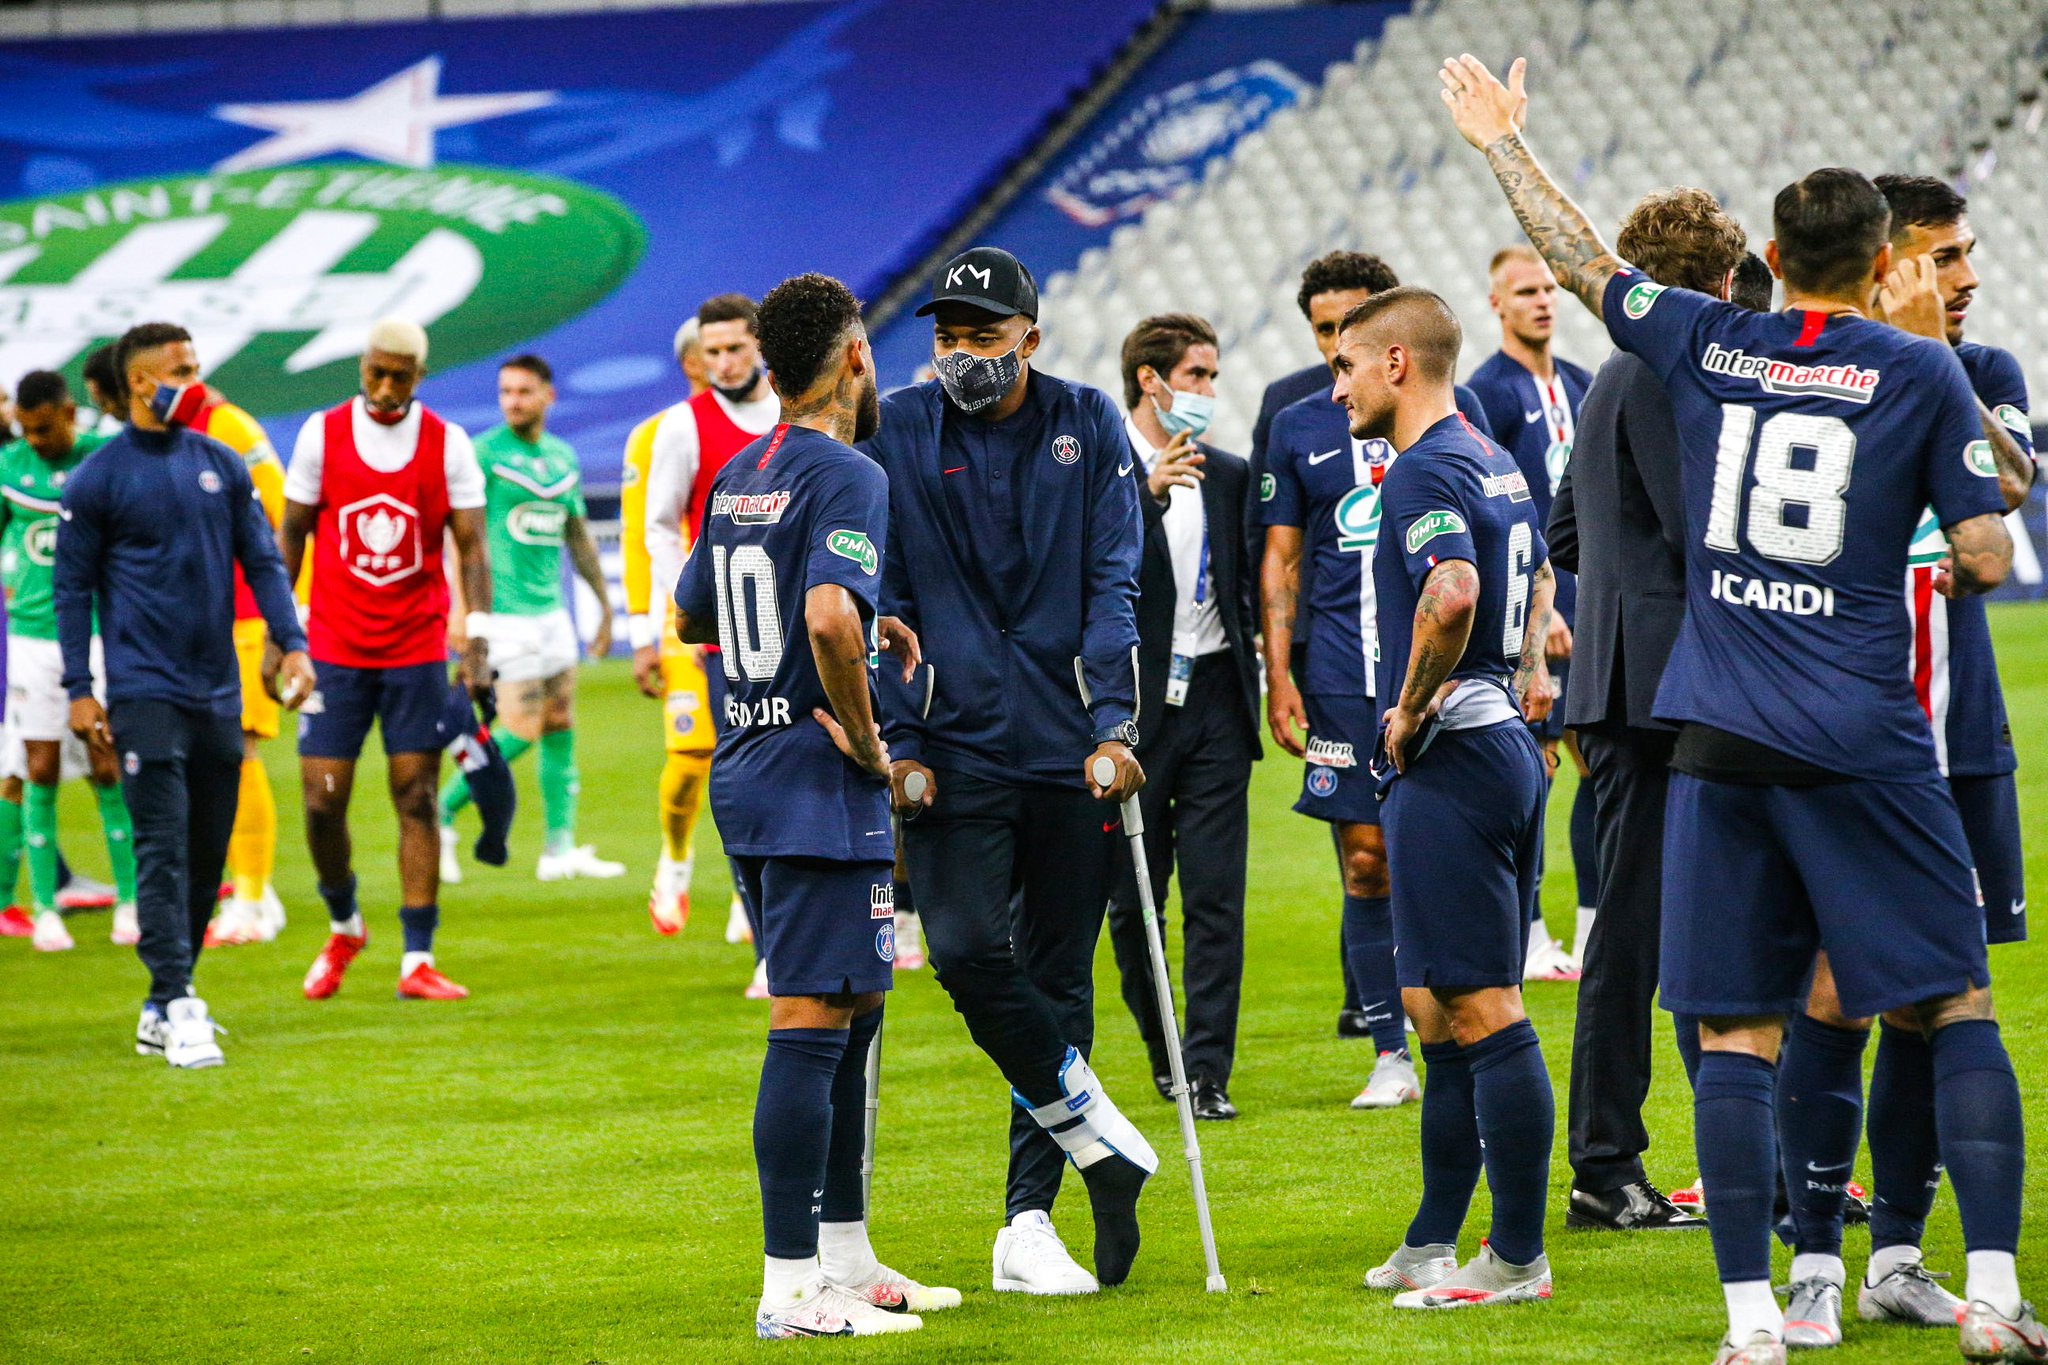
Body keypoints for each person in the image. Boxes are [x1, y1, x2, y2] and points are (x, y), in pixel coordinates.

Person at [1445, 53, 2033, 1364]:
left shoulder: (1713, 340)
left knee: (1733, 1029)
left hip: (1716, 730)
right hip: (1869, 735)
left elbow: (1589, 262)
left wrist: (1503, 145)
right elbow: (1992, 555)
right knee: (1951, 1004)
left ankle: (1757, 1321)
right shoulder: (1917, 372)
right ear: (1885, 261)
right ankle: (1989, 1290)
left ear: (1770, 252)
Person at [1764, 173, 2043, 1347]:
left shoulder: (1981, 374)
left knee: (1937, 1003)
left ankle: (1896, 1256)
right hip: (1840, 741)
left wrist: (1929, 356)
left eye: (1969, 252)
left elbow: (2010, 502)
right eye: (1939, 255)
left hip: (1959, 741)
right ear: (1883, 263)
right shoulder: (1795, 378)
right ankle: (1815, 1262)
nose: (1965, 277)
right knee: (1831, 992)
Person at [865, 246, 1154, 1296]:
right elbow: (882, 590)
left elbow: (1113, 580)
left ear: (1029, 335)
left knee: (1058, 978)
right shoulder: (896, 425)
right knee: (966, 952)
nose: (961, 357)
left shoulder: (1086, 422)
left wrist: (1116, 726)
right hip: (950, 749)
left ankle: (1028, 1220)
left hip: (1070, 746)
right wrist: (901, 742)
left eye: (982, 339)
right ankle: (1102, 1143)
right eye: (946, 339)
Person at [672, 272, 954, 1338]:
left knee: (853, 1006)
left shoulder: (743, 469)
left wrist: (833, 632)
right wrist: (871, 737)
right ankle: (788, 1286)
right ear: (851, 361)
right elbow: (831, 614)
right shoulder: (847, 473)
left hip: (746, 764)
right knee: (809, 1018)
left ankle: (844, 1256)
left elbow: (696, 604)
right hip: (812, 778)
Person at [1337, 288, 1559, 1310]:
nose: (1334, 386)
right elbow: (1538, 577)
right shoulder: (1490, 454)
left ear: (1393, 363)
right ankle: (1433, 1239)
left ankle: (1513, 1258)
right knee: (1432, 1005)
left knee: (1478, 1003)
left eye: (1345, 366)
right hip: (1500, 745)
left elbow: (1452, 590)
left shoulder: (1424, 467)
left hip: (1455, 761)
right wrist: (1515, 681)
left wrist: (1409, 707)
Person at [1547, 186, 1744, 1232]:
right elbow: (1705, 528)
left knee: (1647, 923)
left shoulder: (1604, 376)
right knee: (1634, 932)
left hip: (1626, 680)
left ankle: (1677, 1153)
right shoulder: (1671, 370)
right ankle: (1604, 1165)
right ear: (1719, 279)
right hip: (1669, 690)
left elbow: (1565, 533)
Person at [55, 322, 313, 1068]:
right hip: (142, 690)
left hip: (216, 689)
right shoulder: (98, 477)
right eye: (180, 369)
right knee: (162, 845)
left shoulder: (220, 463)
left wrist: (291, 642)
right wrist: (81, 687)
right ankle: (179, 999)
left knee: (206, 853)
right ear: (139, 382)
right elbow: (71, 589)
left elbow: (264, 559)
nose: (193, 379)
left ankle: (162, 999)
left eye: (196, 366)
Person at [1252, 251, 1495, 1041]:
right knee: (1363, 858)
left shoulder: (1454, 419)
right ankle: (1389, 1048)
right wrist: (1279, 672)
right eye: (1322, 333)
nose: (1333, 350)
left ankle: (1456, 1021)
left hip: (1433, 670)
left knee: (1432, 857)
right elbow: (1281, 558)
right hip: (1336, 671)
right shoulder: (1293, 420)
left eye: (1347, 332)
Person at [283, 318, 492, 1004]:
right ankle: (345, 924)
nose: (382, 385)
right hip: (334, 648)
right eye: (373, 370)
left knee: (417, 794)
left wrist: (479, 640)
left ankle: (417, 958)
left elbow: (472, 548)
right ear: (363, 365)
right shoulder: (322, 433)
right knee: (321, 800)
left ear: (418, 378)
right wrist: (280, 636)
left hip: (415, 648)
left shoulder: (447, 443)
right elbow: (290, 535)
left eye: (397, 375)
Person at [1106, 314, 1259, 1122]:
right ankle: (1166, 1053)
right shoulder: (1101, 471)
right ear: (1151, 381)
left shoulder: (1230, 475)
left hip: (1216, 698)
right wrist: (1145, 494)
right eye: (1197, 375)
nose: (1207, 391)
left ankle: (1207, 1071)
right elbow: (1078, 576)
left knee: (1215, 897)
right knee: (1133, 900)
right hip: (1131, 707)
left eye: (1212, 377)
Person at [438, 354, 620, 884]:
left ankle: (559, 849)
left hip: (551, 614)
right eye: (505, 392)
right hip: (502, 615)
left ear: (548, 396)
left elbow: (577, 536)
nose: (512, 401)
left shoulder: (563, 458)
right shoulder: (484, 454)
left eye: (523, 391)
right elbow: (459, 536)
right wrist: (461, 608)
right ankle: (442, 809)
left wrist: (603, 606)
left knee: (560, 722)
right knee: (519, 725)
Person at [646, 294, 782, 992]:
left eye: (735, 348)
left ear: (760, 345)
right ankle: (767, 947)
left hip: (806, 634)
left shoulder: (798, 412)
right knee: (746, 790)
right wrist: (687, 604)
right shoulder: (683, 427)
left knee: (818, 783)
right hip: (729, 648)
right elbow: (661, 525)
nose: (723, 362)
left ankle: (834, 933)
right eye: (712, 351)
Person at [1467, 244, 1595, 981]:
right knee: (1535, 772)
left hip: (1590, 604)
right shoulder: (1488, 391)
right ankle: (1528, 932)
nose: (1543, 300)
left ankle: (1591, 928)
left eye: (1549, 288)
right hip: (1535, 614)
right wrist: (1533, 617)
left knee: (1601, 769)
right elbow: (1502, 513)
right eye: (1525, 291)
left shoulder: (1580, 382)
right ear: (1496, 305)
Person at [1, 371, 136, 952]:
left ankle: (130, 904)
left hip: (99, 634)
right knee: (39, 768)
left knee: (108, 764)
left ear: (68, 413)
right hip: (31, 639)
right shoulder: (9, 466)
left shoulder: (104, 458)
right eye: (26, 431)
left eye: (44, 428)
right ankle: (44, 909)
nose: (34, 440)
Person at [192, 383, 292, 946]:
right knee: (211, 760)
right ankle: (252, 884)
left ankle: (252, 900)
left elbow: (283, 514)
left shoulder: (229, 425)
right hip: (195, 622)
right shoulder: (160, 437)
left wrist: (286, 614)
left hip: (244, 617)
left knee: (239, 751)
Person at [622, 319, 711, 934]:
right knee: (691, 754)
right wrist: (642, 632)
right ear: (690, 363)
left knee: (765, 759)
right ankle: (675, 864)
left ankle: (748, 895)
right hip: (685, 622)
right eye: (715, 353)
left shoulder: (776, 422)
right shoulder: (655, 436)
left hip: (765, 622)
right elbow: (638, 536)